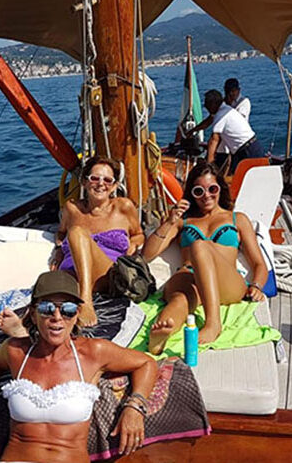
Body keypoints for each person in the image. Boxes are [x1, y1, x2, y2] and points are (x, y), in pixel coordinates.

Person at [0, 271, 158, 463]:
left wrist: (134, 407)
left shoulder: (93, 353)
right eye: (47, 308)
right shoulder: (17, 352)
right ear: (33, 314)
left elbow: (146, 363)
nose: (57, 316)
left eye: (67, 309)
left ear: (77, 315)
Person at [142, 162, 268, 355]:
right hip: (188, 276)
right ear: (192, 194)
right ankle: (160, 333)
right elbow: (147, 254)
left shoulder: (237, 219)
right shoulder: (183, 222)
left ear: (220, 189)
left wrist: (257, 286)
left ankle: (213, 323)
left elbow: (259, 263)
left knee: (200, 245)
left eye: (212, 189)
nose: (206, 195)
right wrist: (169, 221)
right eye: (199, 191)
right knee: (179, 301)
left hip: (225, 282)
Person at [52, 156, 144, 326]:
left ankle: (85, 301)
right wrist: (58, 249)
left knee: (77, 232)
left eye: (108, 180)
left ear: (115, 186)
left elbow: (138, 234)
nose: (101, 184)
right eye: (94, 178)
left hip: (107, 274)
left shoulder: (123, 207)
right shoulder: (72, 209)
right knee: (47, 298)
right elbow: (60, 233)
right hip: (71, 274)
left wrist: (133, 245)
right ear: (85, 182)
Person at [204, 89, 264, 174]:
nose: (206, 107)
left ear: (213, 104)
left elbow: (214, 140)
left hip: (248, 151)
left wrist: (209, 164)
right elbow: (209, 122)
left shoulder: (220, 116)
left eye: (207, 105)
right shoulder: (226, 109)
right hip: (247, 148)